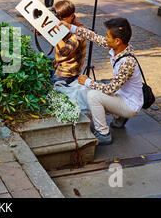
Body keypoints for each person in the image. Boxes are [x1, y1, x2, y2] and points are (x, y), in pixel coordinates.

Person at [59, 17, 143, 146]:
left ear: (117, 41)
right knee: (96, 89)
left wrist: (87, 81)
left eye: (107, 36)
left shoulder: (128, 62)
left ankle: (104, 133)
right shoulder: (118, 48)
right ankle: (119, 116)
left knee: (93, 95)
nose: (105, 38)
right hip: (123, 95)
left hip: (130, 104)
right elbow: (93, 36)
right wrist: (71, 27)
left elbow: (110, 89)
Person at [51, 0, 87, 85]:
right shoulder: (61, 23)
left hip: (68, 69)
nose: (60, 20)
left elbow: (65, 51)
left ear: (72, 16)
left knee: (51, 91)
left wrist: (56, 33)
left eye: (63, 17)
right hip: (58, 62)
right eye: (58, 17)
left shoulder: (79, 31)